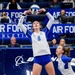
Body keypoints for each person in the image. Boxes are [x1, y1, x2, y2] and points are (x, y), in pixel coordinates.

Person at [18, 8, 55, 75]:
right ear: (32, 27)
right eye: (34, 23)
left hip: (47, 57)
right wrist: (24, 14)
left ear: (40, 26)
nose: (35, 24)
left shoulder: (44, 32)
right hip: (37, 58)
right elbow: (20, 24)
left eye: (37, 23)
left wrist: (45, 12)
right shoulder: (30, 34)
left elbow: (52, 19)